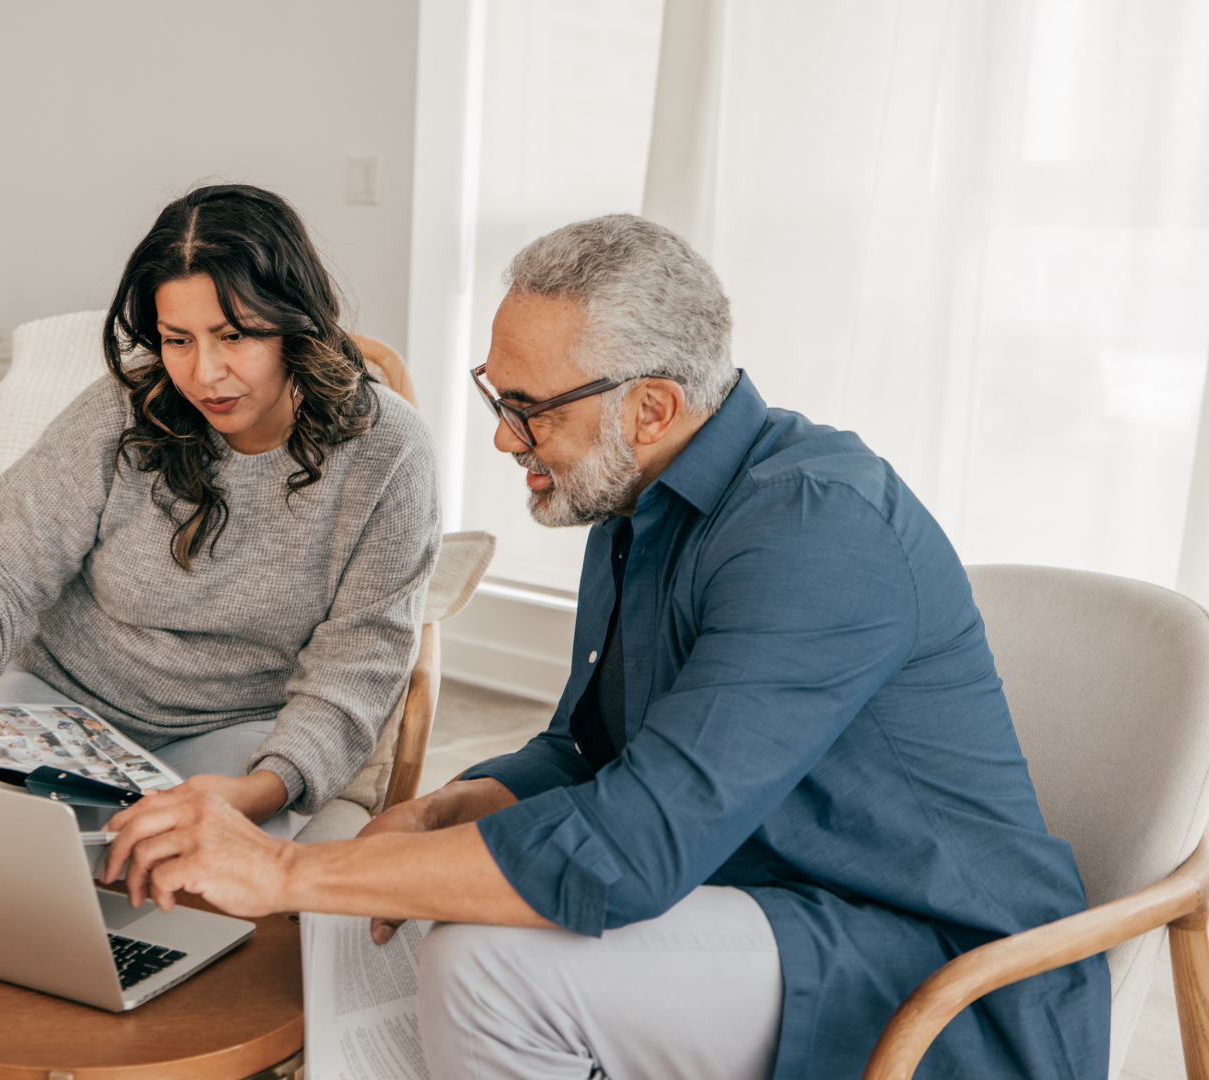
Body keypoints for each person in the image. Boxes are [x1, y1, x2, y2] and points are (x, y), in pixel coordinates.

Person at [97, 214, 1109, 1078]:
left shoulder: (816, 531)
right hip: (760, 895)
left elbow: (630, 850)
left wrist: (283, 874)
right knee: (399, 903)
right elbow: (591, 750)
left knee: (480, 965)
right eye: (498, 397)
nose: (501, 437)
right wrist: (466, 800)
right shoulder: (637, 498)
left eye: (526, 408)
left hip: (919, 960)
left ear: (653, 406)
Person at [0, 184, 442, 838]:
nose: (205, 374)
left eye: (233, 335)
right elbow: (6, 564)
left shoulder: (389, 452)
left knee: (191, 882)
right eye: (178, 340)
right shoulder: (123, 410)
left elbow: (359, 667)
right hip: (58, 710)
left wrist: (259, 793)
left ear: (294, 320)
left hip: (235, 737)